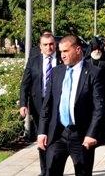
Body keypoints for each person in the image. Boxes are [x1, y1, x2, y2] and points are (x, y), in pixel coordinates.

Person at [37, 35, 104, 176]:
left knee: (83, 172)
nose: (62, 55)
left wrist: (91, 134)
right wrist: (42, 131)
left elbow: (99, 107)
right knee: (50, 171)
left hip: (81, 135)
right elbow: (47, 105)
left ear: (78, 49)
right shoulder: (56, 72)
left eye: (66, 51)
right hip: (57, 133)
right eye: (60, 52)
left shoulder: (93, 73)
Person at [19, 32, 61, 176]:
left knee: (56, 136)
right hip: (39, 104)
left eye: (51, 44)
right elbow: (25, 84)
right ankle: (45, 170)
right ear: (40, 46)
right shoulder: (33, 61)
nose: (49, 47)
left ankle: (55, 167)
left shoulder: (62, 59)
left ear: (55, 44)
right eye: (45, 45)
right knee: (41, 135)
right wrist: (23, 104)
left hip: (58, 103)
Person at [84, 36, 105, 145]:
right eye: (95, 49)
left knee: (103, 115)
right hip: (89, 94)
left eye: (99, 49)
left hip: (104, 94)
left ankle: (103, 136)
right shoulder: (86, 62)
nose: (97, 51)